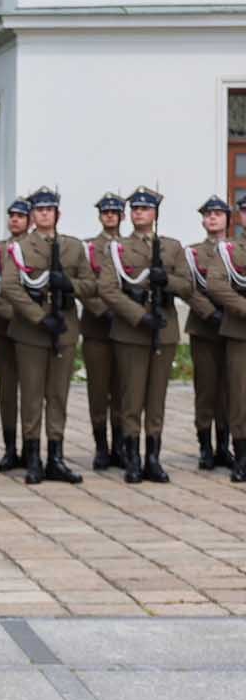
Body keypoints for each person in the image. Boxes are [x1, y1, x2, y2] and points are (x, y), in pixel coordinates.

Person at [92, 187, 194, 483]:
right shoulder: (117, 248)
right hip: (131, 332)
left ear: (155, 214)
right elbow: (107, 289)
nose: (139, 213)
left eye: (145, 209)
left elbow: (188, 287)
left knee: (156, 398)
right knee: (131, 396)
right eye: (135, 209)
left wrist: (168, 280)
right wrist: (139, 316)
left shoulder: (172, 247)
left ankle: (153, 457)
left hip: (164, 330)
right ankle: (132, 458)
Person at [1, 186, 87, 484]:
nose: (44, 214)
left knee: (58, 395)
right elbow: (10, 286)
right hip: (31, 332)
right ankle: (33, 458)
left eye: (49, 210)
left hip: (63, 329)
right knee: (33, 396)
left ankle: (56, 457)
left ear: (57, 214)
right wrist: (38, 318)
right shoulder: (20, 247)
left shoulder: (74, 247)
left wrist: (69, 285)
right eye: (39, 210)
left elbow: (92, 285)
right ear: (32, 215)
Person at [196, 194, 246, 481]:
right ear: (239, 216)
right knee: (237, 395)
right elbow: (215, 283)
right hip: (239, 329)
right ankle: (240, 456)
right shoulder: (228, 249)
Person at [0, 198, 31, 472]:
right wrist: (12, 315)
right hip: (5, 325)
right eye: (11, 216)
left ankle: (30, 444)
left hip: (31, 327)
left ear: (29, 221)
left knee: (32, 389)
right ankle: (10, 447)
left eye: (20, 216)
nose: (14, 220)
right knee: (8, 389)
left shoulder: (35, 248)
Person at [187, 196, 233, 472]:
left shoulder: (235, 249)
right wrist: (209, 312)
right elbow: (189, 289)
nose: (213, 218)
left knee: (229, 390)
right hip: (204, 327)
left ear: (228, 218)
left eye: (218, 214)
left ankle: (223, 445)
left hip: (232, 326)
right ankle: (205, 446)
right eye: (208, 214)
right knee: (205, 389)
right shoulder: (192, 253)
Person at [82, 193, 127, 469]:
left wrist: (125, 311)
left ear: (122, 216)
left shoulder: (131, 246)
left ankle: (120, 446)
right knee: (98, 391)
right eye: (105, 212)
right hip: (97, 327)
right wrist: (103, 308)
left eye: (114, 212)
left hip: (125, 327)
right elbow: (85, 285)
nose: (110, 216)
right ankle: (101, 446)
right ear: (100, 216)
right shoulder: (87, 249)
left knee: (122, 390)